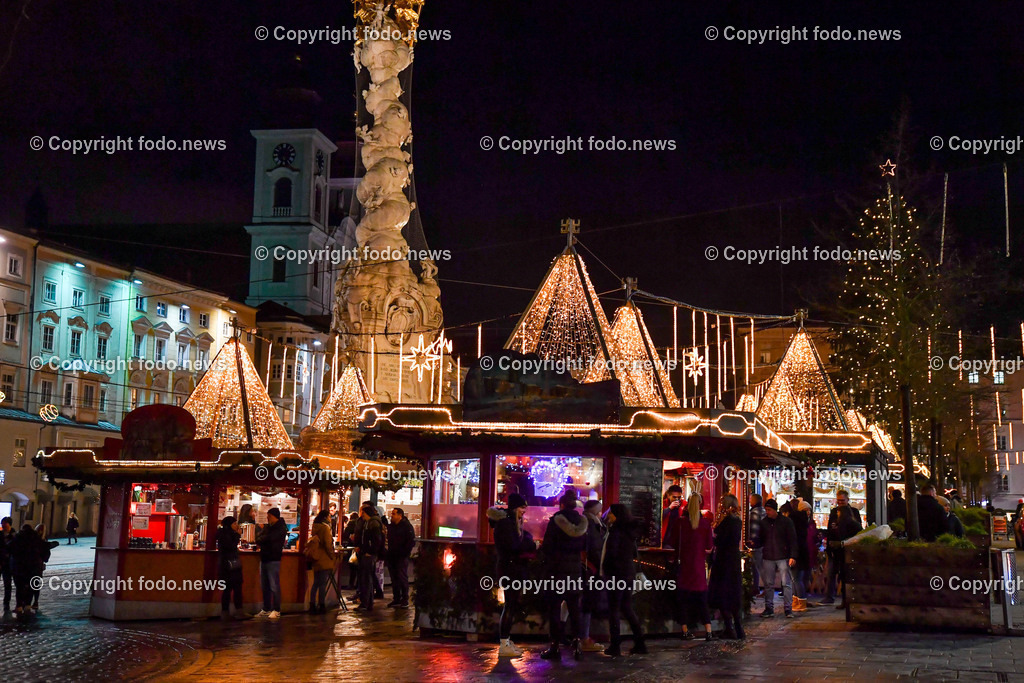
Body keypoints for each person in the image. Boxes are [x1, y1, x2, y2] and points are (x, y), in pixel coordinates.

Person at [540, 490, 588, 661]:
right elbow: (585, 546)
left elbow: (547, 546)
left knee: (554, 609)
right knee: (574, 609)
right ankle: (577, 644)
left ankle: (555, 646)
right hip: (574, 572)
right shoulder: (583, 523)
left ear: (561, 505)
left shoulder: (555, 522)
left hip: (556, 571)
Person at [487, 493, 536, 658]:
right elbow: (514, 546)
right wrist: (530, 544)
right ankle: (504, 643)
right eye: (522, 508)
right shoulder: (506, 524)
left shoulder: (507, 523)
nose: (524, 511)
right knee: (510, 604)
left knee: (512, 604)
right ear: (515, 507)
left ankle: (506, 641)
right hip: (510, 570)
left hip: (511, 569)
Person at [601, 503, 646, 657]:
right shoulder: (629, 531)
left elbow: (611, 554)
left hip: (616, 574)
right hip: (628, 573)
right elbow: (633, 553)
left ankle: (615, 645)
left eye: (611, 514)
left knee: (614, 609)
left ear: (617, 515)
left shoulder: (616, 531)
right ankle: (640, 642)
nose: (609, 516)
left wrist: (606, 571)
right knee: (627, 608)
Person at [674, 492, 714, 641]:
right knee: (702, 600)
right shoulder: (705, 524)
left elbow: (673, 542)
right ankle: (708, 631)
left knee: (683, 600)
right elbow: (709, 547)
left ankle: (684, 631)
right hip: (698, 567)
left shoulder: (680, 522)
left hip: (685, 565)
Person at [709, 494, 744, 639]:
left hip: (724, 560)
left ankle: (730, 628)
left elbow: (720, 540)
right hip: (733, 559)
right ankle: (738, 628)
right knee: (732, 594)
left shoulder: (727, 521)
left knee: (722, 592)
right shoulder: (737, 520)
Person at [823, 489, 861, 607]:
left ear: (847, 500)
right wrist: (829, 546)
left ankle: (846, 600)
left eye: (842, 501)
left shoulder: (853, 512)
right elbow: (830, 529)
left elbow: (857, 531)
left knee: (845, 575)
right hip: (835, 548)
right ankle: (830, 597)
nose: (840, 503)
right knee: (831, 573)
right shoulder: (834, 512)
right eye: (838, 501)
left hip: (847, 549)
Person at [759, 498, 798, 618]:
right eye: (766, 510)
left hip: (782, 555)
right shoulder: (765, 522)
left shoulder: (785, 522)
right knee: (769, 583)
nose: (767, 512)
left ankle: (787, 608)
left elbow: (792, 539)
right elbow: (761, 538)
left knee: (786, 583)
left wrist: (793, 555)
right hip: (770, 555)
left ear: (774, 510)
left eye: (769, 510)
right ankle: (769, 608)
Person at [579, 499, 607, 653]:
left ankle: (582, 637)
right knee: (587, 603)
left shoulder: (589, 523)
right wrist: (602, 566)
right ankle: (584, 638)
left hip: (588, 569)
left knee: (583, 603)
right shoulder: (592, 525)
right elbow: (596, 549)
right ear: (596, 512)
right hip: (591, 570)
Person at [254, 507, 287, 619]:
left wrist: (263, 538)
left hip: (273, 559)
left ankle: (277, 609)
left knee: (274, 585)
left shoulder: (280, 528)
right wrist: (263, 538)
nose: (267, 518)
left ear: (274, 516)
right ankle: (266, 608)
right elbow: (258, 539)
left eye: (269, 516)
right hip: (265, 558)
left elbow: (267, 539)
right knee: (265, 586)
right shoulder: (269, 527)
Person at [10, 524, 48, 617]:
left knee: (19, 587)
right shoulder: (36, 539)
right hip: (34, 567)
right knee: (31, 586)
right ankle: (27, 605)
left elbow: (10, 548)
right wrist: (42, 559)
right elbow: (45, 551)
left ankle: (19, 606)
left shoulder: (18, 538)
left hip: (19, 566)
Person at [305, 510, 336, 614]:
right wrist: (332, 556)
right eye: (329, 516)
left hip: (316, 557)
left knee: (315, 583)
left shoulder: (315, 526)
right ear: (326, 517)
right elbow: (327, 544)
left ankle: (312, 605)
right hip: (324, 558)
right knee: (322, 583)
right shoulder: (325, 528)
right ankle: (322, 605)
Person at [355, 503, 385, 612]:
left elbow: (376, 540)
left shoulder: (373, 523)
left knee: (366, 578)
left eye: (363, 512)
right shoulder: (370, 522)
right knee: (368, 578)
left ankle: (366, 603)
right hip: (367, 553)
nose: (361, 514)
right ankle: (368, 603)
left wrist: (370, 552)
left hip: (369, 555)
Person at [217, 516, 245, 620]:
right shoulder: (227, 535)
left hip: (226, 565)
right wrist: (237, 535)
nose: (236, 525)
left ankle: (226, 612)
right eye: (234, 524)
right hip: (230, 565)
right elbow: (231, 547)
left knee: (228, 590)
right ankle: (236, 611)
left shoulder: (222, 534)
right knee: (234, 589)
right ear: (229, 525)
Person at [386, 508, 415, 608]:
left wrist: (405, 553)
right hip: (392, 556)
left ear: (400, 515)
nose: (391, 516)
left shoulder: (406, 527)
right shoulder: (392, 527)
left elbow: (411, 541)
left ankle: (404, 599)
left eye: (393, 514)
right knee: (394, 578)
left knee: (402, 577)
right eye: (391, 514)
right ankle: (396, 598)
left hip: (401, 556)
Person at [789, 499, 810, 603]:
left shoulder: (795, 520)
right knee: (796, 579)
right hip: (802, 552)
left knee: (796, 579)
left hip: (797, 553)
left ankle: (800, 601)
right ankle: (797, 601)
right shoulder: (804, 521)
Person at [32, 524, 58, 611]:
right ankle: (35, 601)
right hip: (38, 565)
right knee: (36, 584)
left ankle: (27, 603)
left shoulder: (31, 540)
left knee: (29, 583)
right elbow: (46, 556)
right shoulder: (43, 542)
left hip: (31, 565)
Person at [746, 493, 766, 597]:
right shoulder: (763, 510)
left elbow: (753, 528)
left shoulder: (754, 512)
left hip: (757, 543)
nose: (749, 501)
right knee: (758, 566)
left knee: (758, 566)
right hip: (763, 542)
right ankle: (757, 587)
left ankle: (760, 588)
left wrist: (752, 540)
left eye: (750, 499)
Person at [343, 512, 360, 589]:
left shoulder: (350, 525)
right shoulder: (359, 525)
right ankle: (357, 584)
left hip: (350, 548)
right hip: (357, 548)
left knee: (352, 567)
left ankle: (351, 584)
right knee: (357, 568)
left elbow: (345, 535)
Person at [1, 517, 15, 613]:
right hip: (0, 562)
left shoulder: (14, 536)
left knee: (7, 584)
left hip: (8, 564)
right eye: (2, 524)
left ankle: (6, 602)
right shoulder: (0, 535)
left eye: (5, 525)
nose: (3, 526)